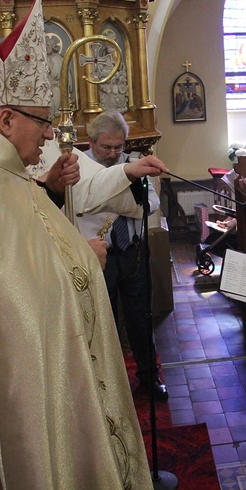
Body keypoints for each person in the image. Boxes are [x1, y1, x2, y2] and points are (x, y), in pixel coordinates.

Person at [0, 0, 157, 489]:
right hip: (18, 393)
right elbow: (15, 312)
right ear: (5, 120)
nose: (48, 137)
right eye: (42, 122)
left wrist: (49, 192)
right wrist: (79, 264)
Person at [76, 110, 167, 400]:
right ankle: (109, 385)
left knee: (140, 317)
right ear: (91, 142)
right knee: (105, 321)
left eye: (119, 147)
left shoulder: (132, 165)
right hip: (98, 254)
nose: (114, 153)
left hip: (133, 251)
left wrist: (131, 204)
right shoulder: (79, 170)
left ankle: (149, 377)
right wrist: (126, 203)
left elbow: (152, 202)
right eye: (107, 147)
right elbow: (79, 206)